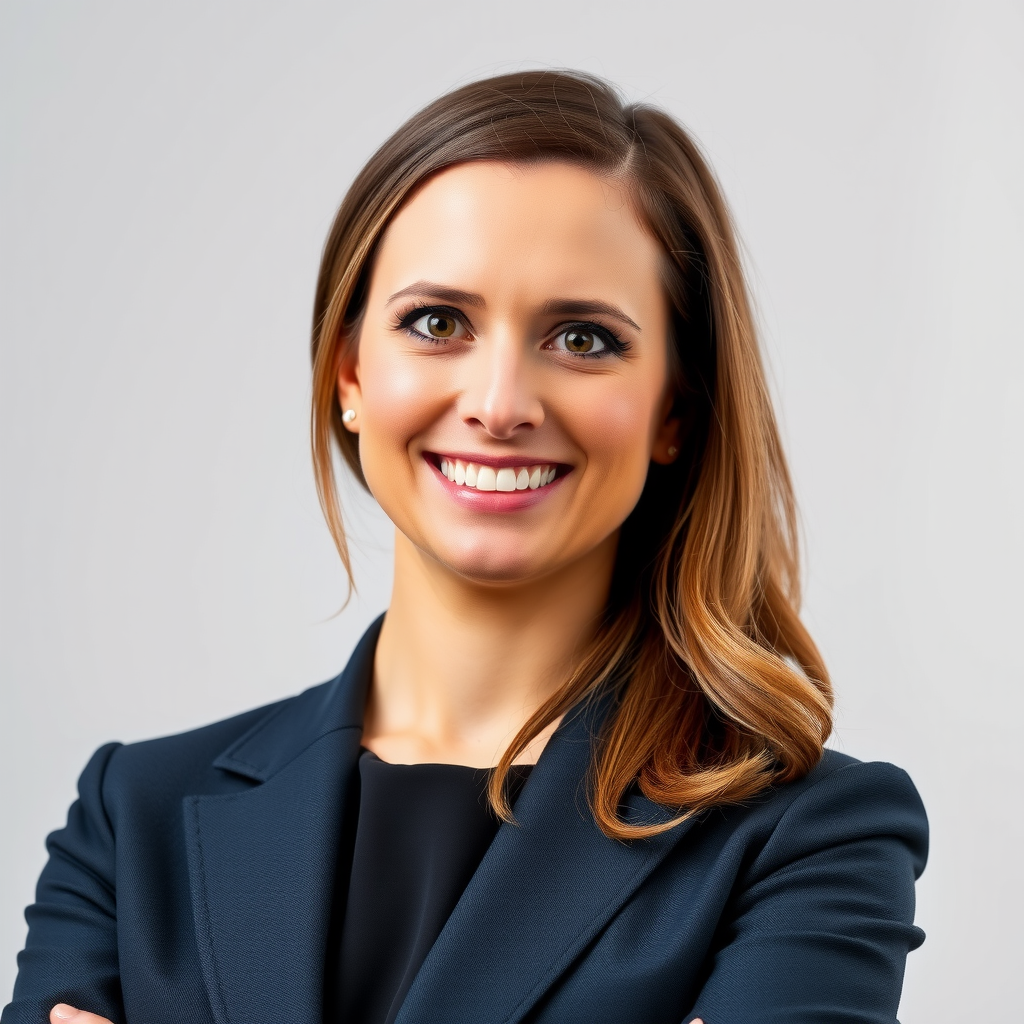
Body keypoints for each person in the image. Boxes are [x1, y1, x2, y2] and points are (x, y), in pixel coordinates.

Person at [3, 70, 928, 1024]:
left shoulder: (809, 838)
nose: (499, 404)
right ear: (349, 374)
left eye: (582, 339)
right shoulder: (133, 817)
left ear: (675, 411)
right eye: (437, 323)